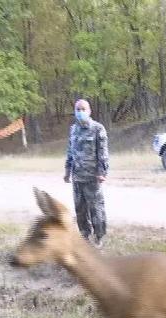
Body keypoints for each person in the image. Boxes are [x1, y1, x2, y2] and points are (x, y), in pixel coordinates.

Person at [64, 99, 109, 248]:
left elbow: (102, 152)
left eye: (83, 109)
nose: (80, 112)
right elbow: (70, 152)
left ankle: (99, 236)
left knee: (96, 208)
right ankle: (84, 235)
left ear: (89, 111)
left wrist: (102, 172)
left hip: (92, 177)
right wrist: (67, 171)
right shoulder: (73, 129)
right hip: (77, 177)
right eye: (78, 109)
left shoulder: (98, 129)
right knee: (80, 209)